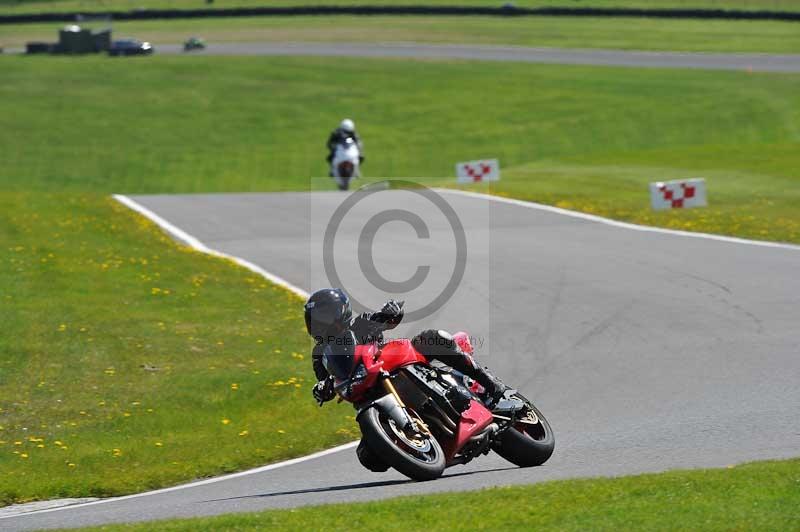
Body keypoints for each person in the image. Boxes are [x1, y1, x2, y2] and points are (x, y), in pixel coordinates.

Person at [304, 288, 505, 408]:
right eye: (315, 320)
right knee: (369, 457)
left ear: (339, 312)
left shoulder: (360, 324)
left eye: (324, 317)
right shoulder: (320, 353)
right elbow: (325, 381)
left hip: (389, 365)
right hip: (364, 391)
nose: (320, 324)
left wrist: (391, 312)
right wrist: (321, 389)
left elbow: (388, 320)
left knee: (431, 338)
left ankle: (488, 382)